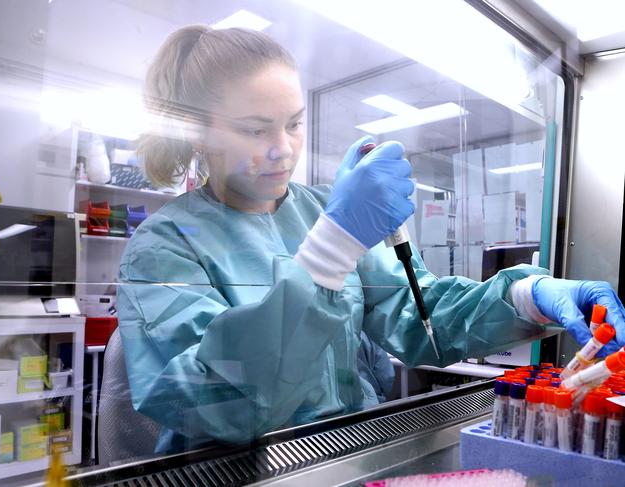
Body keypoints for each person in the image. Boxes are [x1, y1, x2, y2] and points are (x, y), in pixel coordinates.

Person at [117, 25, 625, 454]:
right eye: (254, 130)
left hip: (347, 453)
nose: (282, 150)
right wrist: (333, 246)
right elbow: (218, 404)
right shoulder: (165, 247)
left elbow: (417, 316)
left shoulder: (319, 209)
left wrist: (525, 295)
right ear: (197, 134)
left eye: (294, 124)